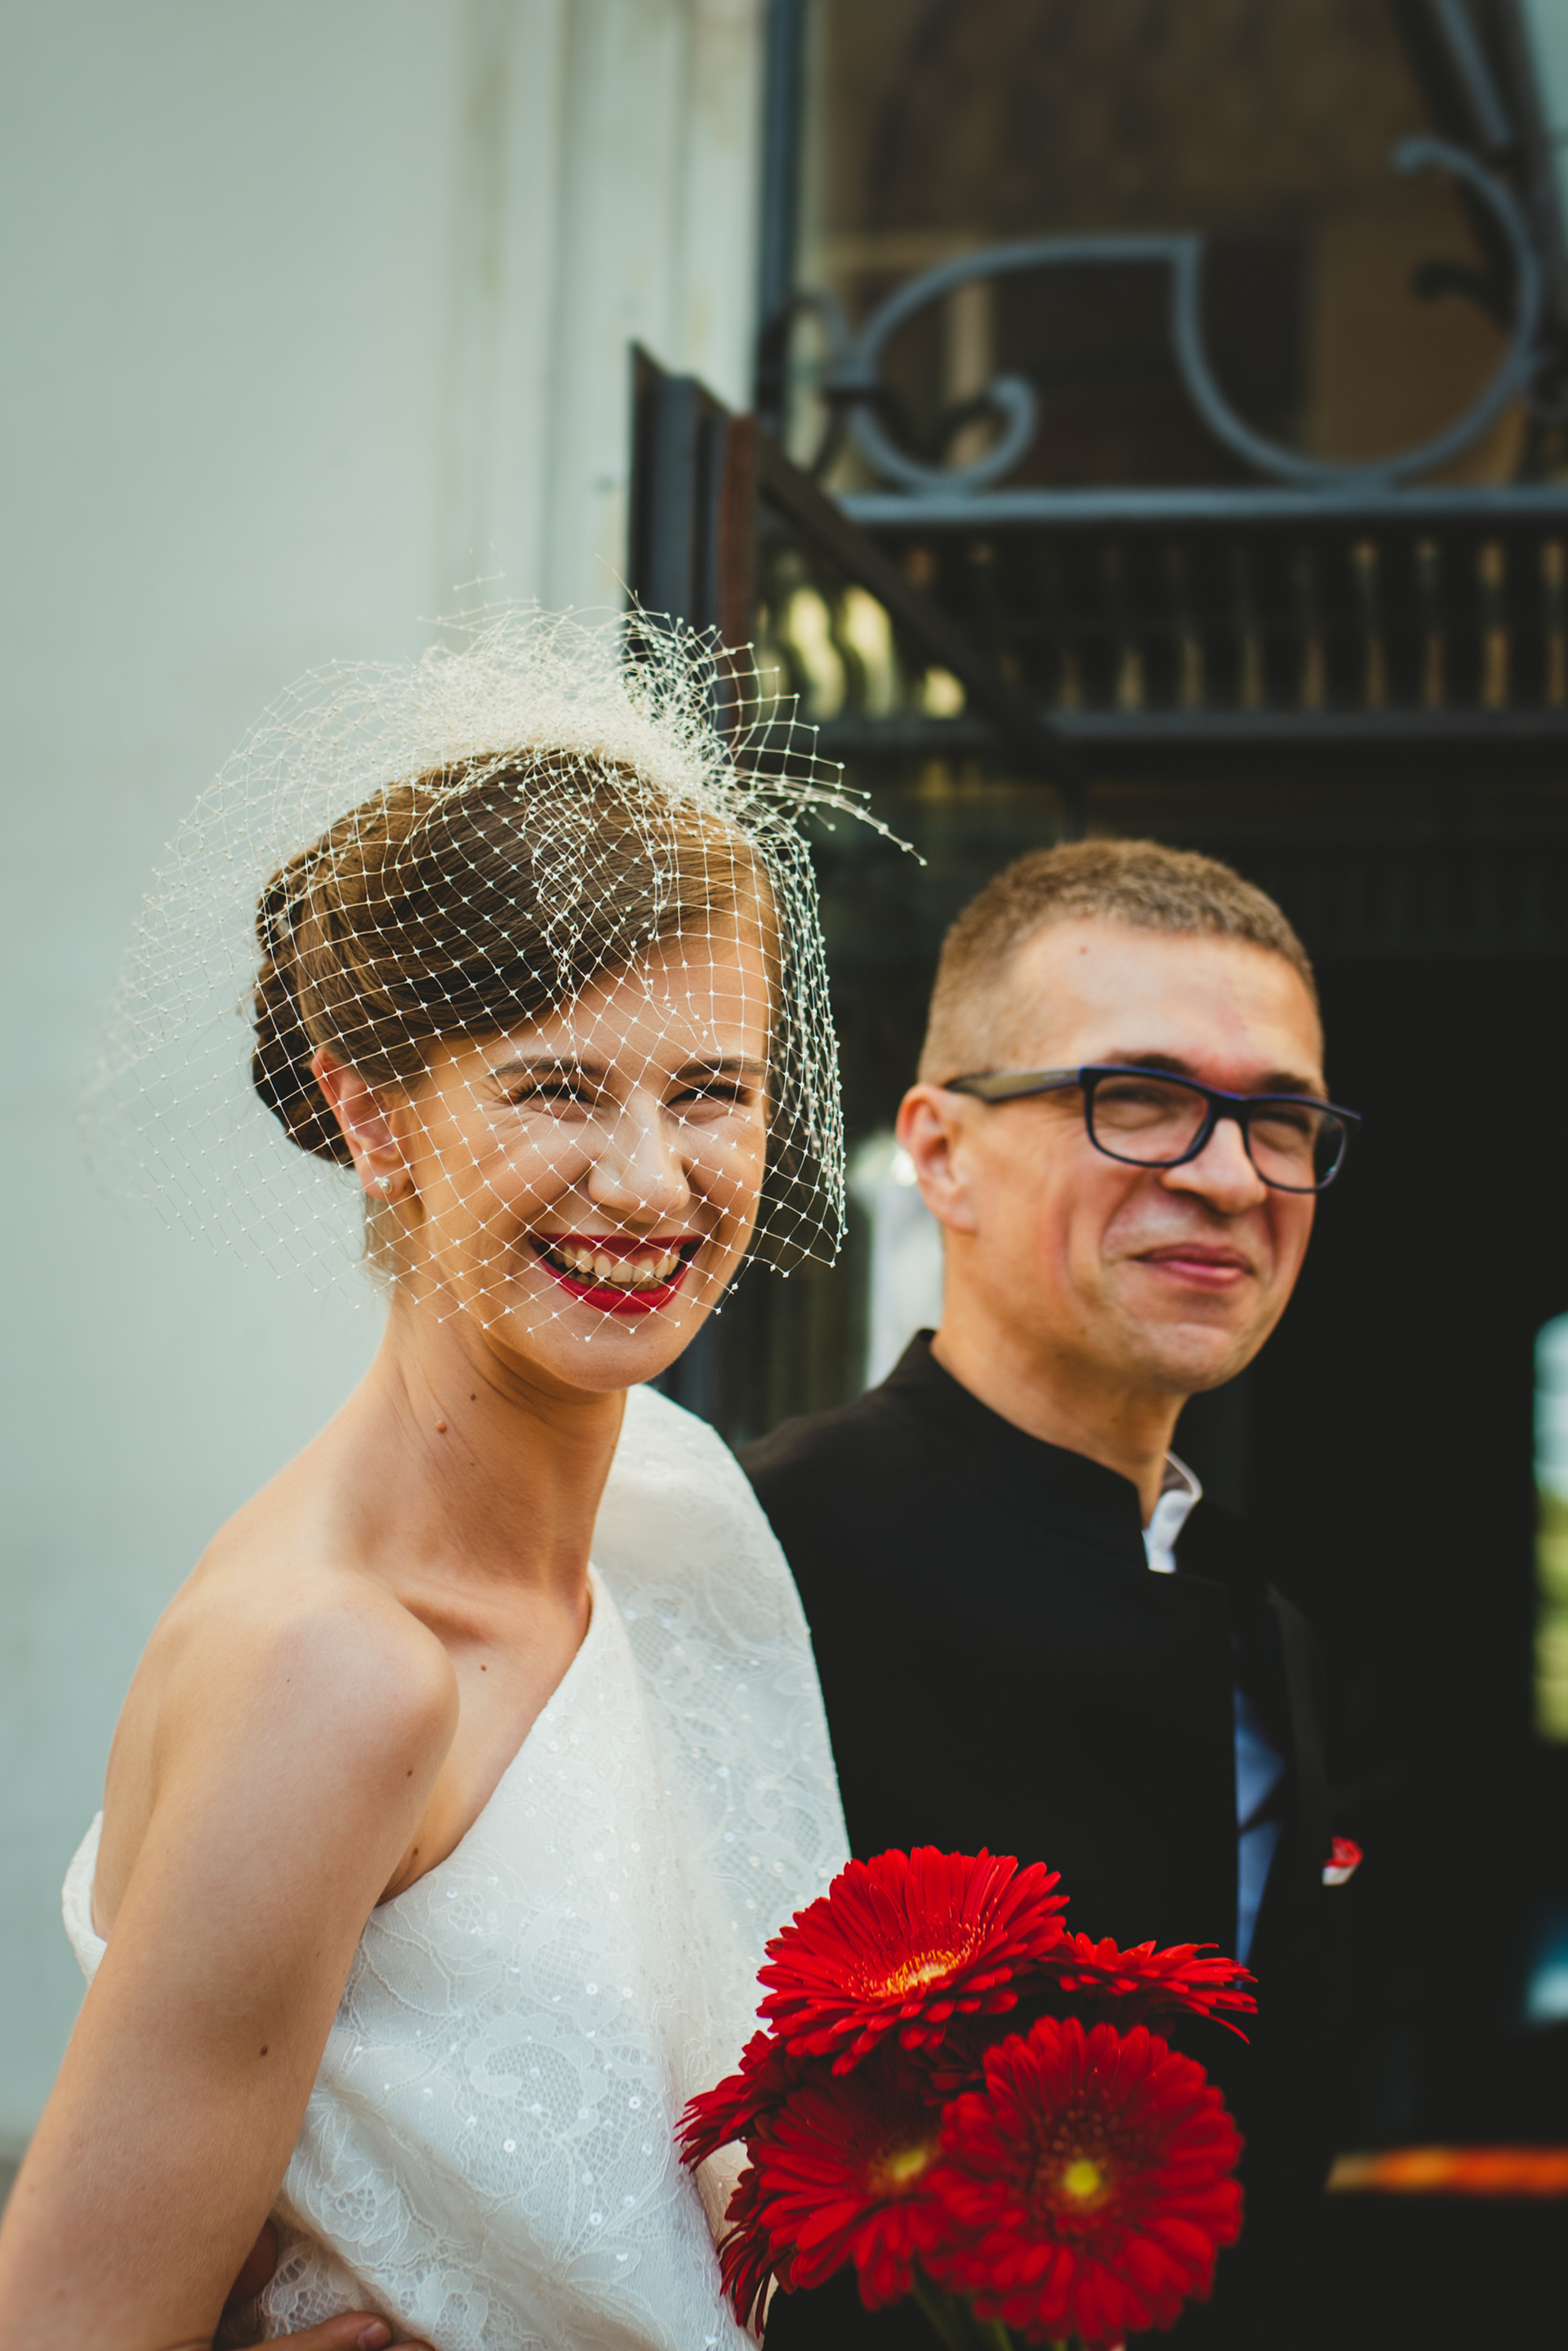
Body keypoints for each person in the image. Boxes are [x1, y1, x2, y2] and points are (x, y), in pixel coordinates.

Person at [0, 615, 857, 2351]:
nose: (652, 1181)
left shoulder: (672, 1512)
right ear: (373, 1114)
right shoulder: (333, 1672)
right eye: (559, 1091)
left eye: (713, 1091)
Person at [746, 839, 1359, 2350]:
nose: (1230, 1177)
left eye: (1281, 1119)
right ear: (940, 1152)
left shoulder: (1271, 1629)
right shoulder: (751, 1553)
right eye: (1138, 1097)